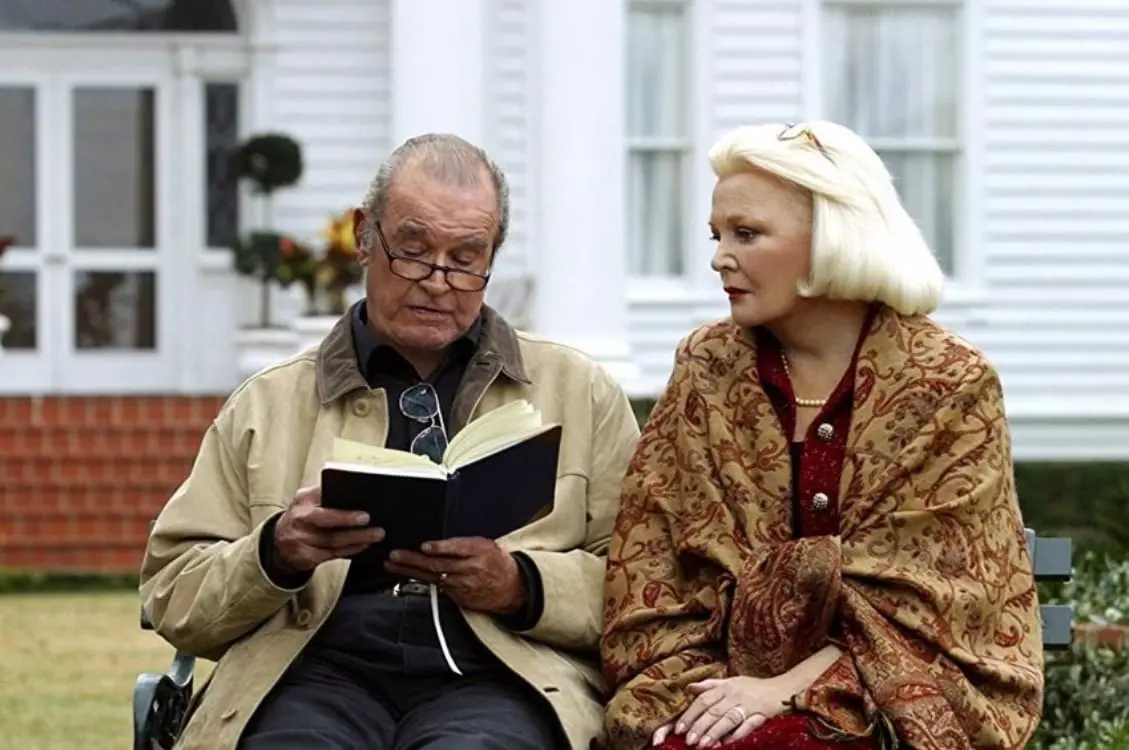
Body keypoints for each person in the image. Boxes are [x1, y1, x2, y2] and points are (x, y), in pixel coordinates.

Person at [140, 133, 641, 750]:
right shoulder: (269, 403)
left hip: (503, 677)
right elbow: (172, 593)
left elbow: (648, 589)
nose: (437, 281)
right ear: (363, 237)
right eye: (413, 250)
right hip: (309, 673)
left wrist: (521, 585)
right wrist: (275, 553)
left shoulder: (581, 392)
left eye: (466, 258)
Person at [599, 121, 1044, 750]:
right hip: (710, 681)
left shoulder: (948, 382)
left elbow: (933, 603)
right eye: (717, 235)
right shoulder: (706, 366)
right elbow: (657, 560)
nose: (719, 257)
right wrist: (723, 690)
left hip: (895, 695)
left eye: (747, 234)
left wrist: (782, 690)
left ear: (834, 237)